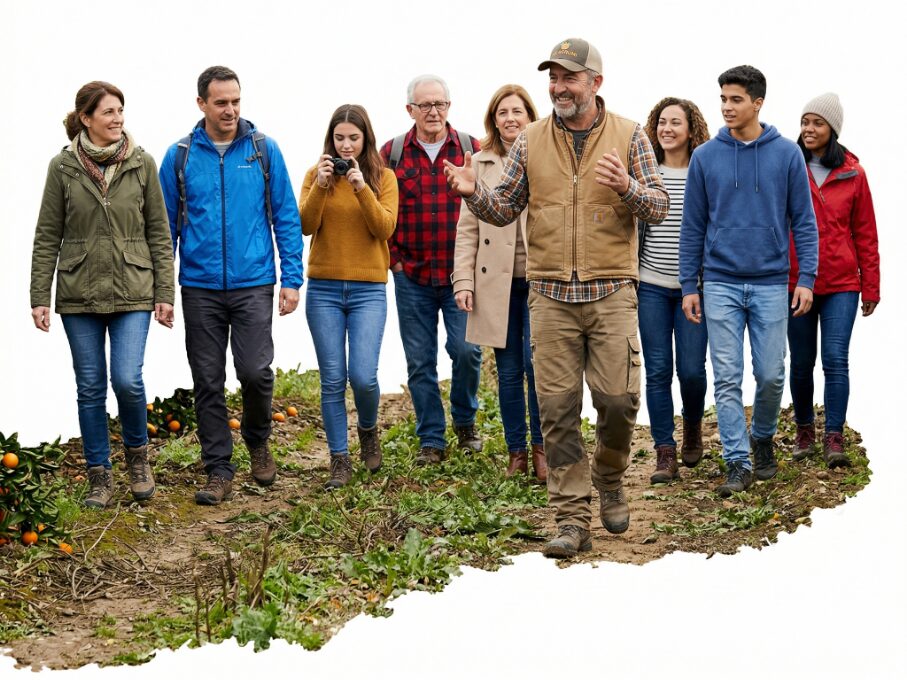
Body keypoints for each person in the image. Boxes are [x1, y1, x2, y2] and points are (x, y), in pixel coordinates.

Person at [445, 38, 669, 558]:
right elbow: (504, 208)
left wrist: (628, 188)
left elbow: (658, 207)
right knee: (557, 409)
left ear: (596, 82)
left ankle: (608, 477)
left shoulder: (630, 134)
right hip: (549, 297)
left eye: (569, 77)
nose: (558, 87)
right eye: (553, 78)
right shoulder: (530, 140)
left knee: (619, 400)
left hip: (611, 291)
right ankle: (571, 518)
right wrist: (473, 193)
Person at [159, 66, 303, 505]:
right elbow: (164, 231)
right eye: (221, 102)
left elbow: (286, 216)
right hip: (199, 286)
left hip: (253, 282)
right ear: (201, 103)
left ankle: (257, 439)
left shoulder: (263, 150)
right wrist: (163, 291)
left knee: (256, 372)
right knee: (207, 380)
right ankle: (218, 469)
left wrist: (292, 279)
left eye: (236, 101)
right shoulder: (180, 157)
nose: (230, 110)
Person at [30, 81, 175, 508]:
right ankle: (99, 475)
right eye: (108, 112)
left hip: (133, 289)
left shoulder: (142, 162)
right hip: (79, 292)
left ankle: (138, 459)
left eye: (120, 111)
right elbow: (47, 235)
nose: (117, 119)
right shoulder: (63, 168)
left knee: (127, 380)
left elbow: (159, 232)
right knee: (90, 385)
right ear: (86, 118)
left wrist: (165, 292)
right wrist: (39, 295)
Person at [679, 65, 818, 498]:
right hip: (719, 281)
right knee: (726, 376)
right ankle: (737, 462)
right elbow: (692, 226)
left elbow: (804, 221)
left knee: (771, 373)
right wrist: (689, 285)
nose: (726, 106)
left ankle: (761, 436)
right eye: (723, 98)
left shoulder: (787, 154)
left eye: (736, 99)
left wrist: (806, 277)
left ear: (757, 103)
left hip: (771, 282)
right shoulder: (705, 157)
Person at [379, 74, 483, 466]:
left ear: (449, 106)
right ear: (411, 110)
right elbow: (378, 209)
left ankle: (465, 422)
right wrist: (395, 260)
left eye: (439, 104)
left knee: (467, 351)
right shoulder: (391, 153)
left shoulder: (471, 149)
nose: (433, 111)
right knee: (420, 362)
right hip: (412, 276)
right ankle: (431, 439)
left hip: (461, 276)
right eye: (425, 105)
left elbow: (488, 204)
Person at [299, 104, 398, 489]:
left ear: (365, 139)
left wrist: (361, 188)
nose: (345, 146)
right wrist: (322, 186)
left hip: (368, 289)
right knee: (332, 378)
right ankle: (339, 458)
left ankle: (368, 429)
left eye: (353, 138)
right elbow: (306, 225)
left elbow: (384, 228)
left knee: (363, 375)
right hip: (323, 288)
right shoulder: (315, 175)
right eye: (339, 138)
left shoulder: (383, 177)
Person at [451, 85, 545, 481]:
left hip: (540, 280)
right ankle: (516, 452)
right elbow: (467, 230)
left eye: (517, 111)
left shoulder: (546, 156)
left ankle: (542, 450)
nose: (510, 118)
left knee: (538, 367)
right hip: (496, 284)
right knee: (508, 372)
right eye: (502, 112)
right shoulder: (479, 162)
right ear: (494, 120)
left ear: (530, 116)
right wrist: (463, 281)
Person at [787, 93, 880, 467]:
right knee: (800, 361)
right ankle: (804, 430)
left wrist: (871, 286)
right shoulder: (789, 167)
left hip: (842, 283)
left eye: (818, 123)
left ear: (833, 129)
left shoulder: (854, 174)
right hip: (796, 282)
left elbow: (866, 233)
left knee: (835, 358)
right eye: (805, 122)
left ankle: (834, 437)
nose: (808, 129)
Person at [638, 97, 711, 485]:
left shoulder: (703, 171)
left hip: (694, 290)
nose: (667, 129)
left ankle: (693, 426)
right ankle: (664, 451)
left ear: (690, 129)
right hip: (650, 285)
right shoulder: (646, 173)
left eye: (675, 123)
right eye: (662, 122)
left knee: (692, 371)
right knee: (658, 370)